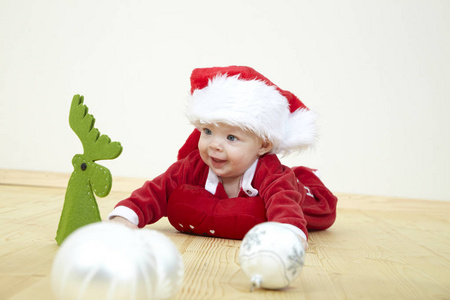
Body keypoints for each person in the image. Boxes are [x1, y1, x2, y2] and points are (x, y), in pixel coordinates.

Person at [109, 66, 337, 246]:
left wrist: (287, 239)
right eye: (207, 132)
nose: (214, 145)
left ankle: (307, 180)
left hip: (304, 198)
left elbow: (284, 204)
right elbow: (158, 189)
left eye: (231, 138)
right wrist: (125, 218)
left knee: (314, 206)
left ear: (263, 145)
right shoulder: (194, 165)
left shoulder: (272, 174)